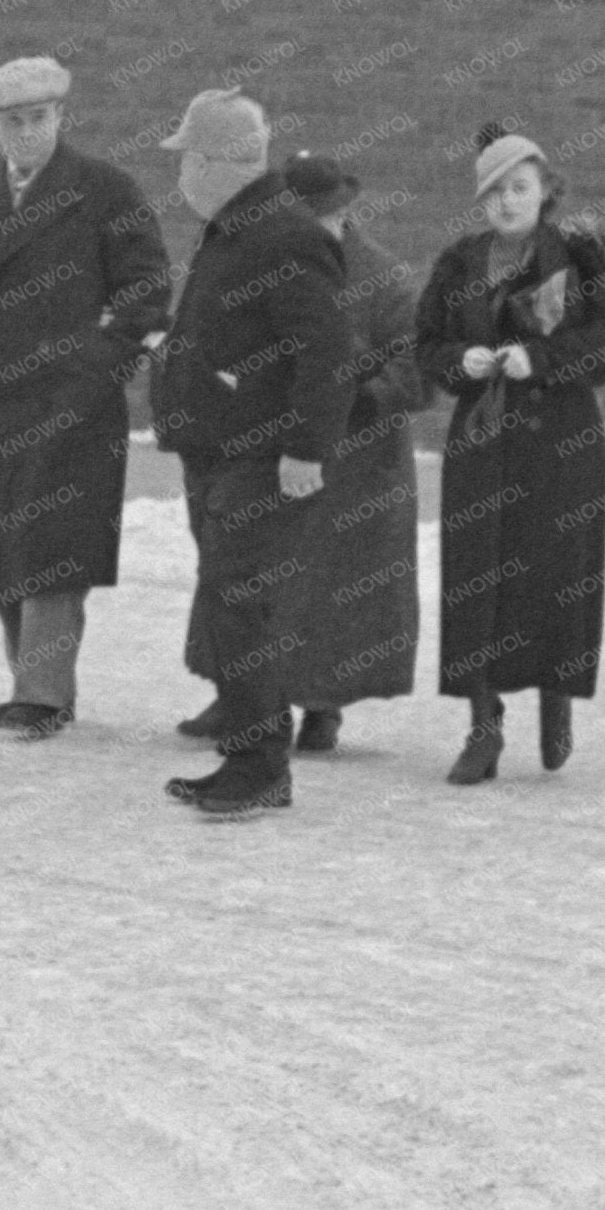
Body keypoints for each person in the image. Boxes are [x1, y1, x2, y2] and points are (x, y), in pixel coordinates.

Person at [0, 55, 174, 738]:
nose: (26, 132)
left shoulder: (106, 190)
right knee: (3, 548)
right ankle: (30, 680)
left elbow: (147, 296)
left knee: (53, 546)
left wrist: (91, 366)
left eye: (37, 118)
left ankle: (42, 691)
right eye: (12, 122)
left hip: (70, 405)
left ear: (60, 117)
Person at [149, 90, 352, 818]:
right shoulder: (237, 230)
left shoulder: (283, 236)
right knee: (232, 606)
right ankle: (248, 754)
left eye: (187, 159)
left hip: (259, 459)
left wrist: (305, 449)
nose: (181, 176)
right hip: (218, 452)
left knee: (242, 608)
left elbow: (327, 351)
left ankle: (261, 766)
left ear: (216, 162)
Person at [415, 124, 605, 784]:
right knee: (478, 577)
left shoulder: (578, 257)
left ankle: (556, 699)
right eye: (495, 192)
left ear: (545, 192)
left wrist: (537, 358)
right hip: (483, 442)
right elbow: (425, 345)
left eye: (521, 188)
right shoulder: (458, 262)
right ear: (480, 200)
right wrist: (463, 359)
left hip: (560, 443)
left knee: (555, 574)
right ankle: (483, 725)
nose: (508, 201)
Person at [236, 151, 426, 757]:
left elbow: (418, 366)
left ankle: (323, 707)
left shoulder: (383, 276)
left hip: (359, 465)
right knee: (270, 580)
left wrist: (354, 398)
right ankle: (256, 699)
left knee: (339, 586)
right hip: (276, 449)